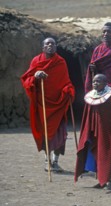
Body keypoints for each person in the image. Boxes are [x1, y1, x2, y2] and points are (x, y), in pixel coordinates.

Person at [21, 37, 75, 172]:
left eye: (53, 43)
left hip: (58, 104)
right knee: (46, 133)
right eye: (47, 43)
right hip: (43, 104)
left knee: (60, 134)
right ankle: (47, 161)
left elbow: (66, 81)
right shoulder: (36, 61)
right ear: (43, 47)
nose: (50, 45)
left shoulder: (61, 62)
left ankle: (55, 161)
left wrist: (69, 90)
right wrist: (36, 76)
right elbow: (27, 80)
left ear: (56, 47)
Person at [75, 74, 111, 189]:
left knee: (105, 154)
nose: (95, 84)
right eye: (94, 81)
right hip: (93, 130)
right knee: (96, 154)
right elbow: (88, 115)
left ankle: (109, 181)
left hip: (106, 131)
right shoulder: (91, 97)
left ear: (105, 83)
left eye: (98, 81)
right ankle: (102, 179)